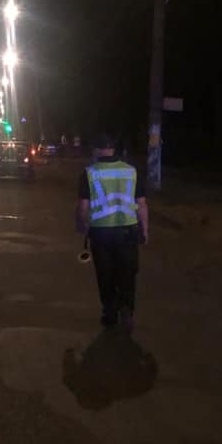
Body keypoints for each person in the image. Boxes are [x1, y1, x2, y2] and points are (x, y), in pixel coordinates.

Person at [75, 133, 149, 332]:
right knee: (128, 273)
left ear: (97, 150)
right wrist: (145, 230)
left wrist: (83, 226)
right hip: (128, 231)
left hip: (101, 233)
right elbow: (142, 204)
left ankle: (109, 313)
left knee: (105, 274)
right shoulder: (131, 171)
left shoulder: (89, 173)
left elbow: (83, 207)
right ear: (113, 149)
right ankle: (127, 311)